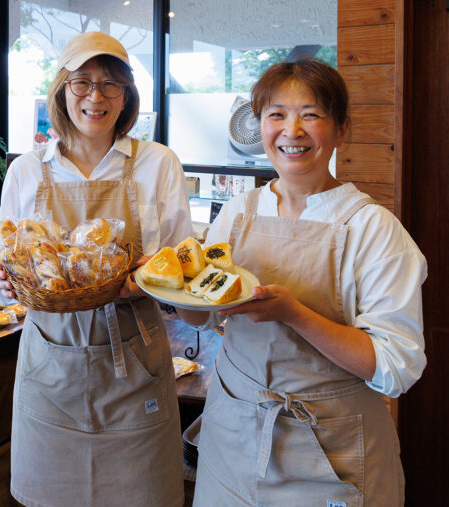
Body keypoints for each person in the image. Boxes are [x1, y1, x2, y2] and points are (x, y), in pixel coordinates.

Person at [178, 58, 427, 505]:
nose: (292, 130)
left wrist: (294, 314)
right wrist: (167, 285)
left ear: (341, 128)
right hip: (232, 434)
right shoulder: (238, 214)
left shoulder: (372, 229)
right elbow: (199, 315)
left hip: (329, 449)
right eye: (276, 114)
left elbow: (396, 367)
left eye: (310, 114)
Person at [0, 31, 192, 506]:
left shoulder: (158, 164)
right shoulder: (27, 170)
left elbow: (184, 266)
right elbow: (0, 269)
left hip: (134, 362)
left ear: (127, 96)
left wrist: (149, 280)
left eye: (110, 84)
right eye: (82, 82)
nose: (95, 97)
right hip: (50, 365)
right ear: (62, 90)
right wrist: (0, 281)